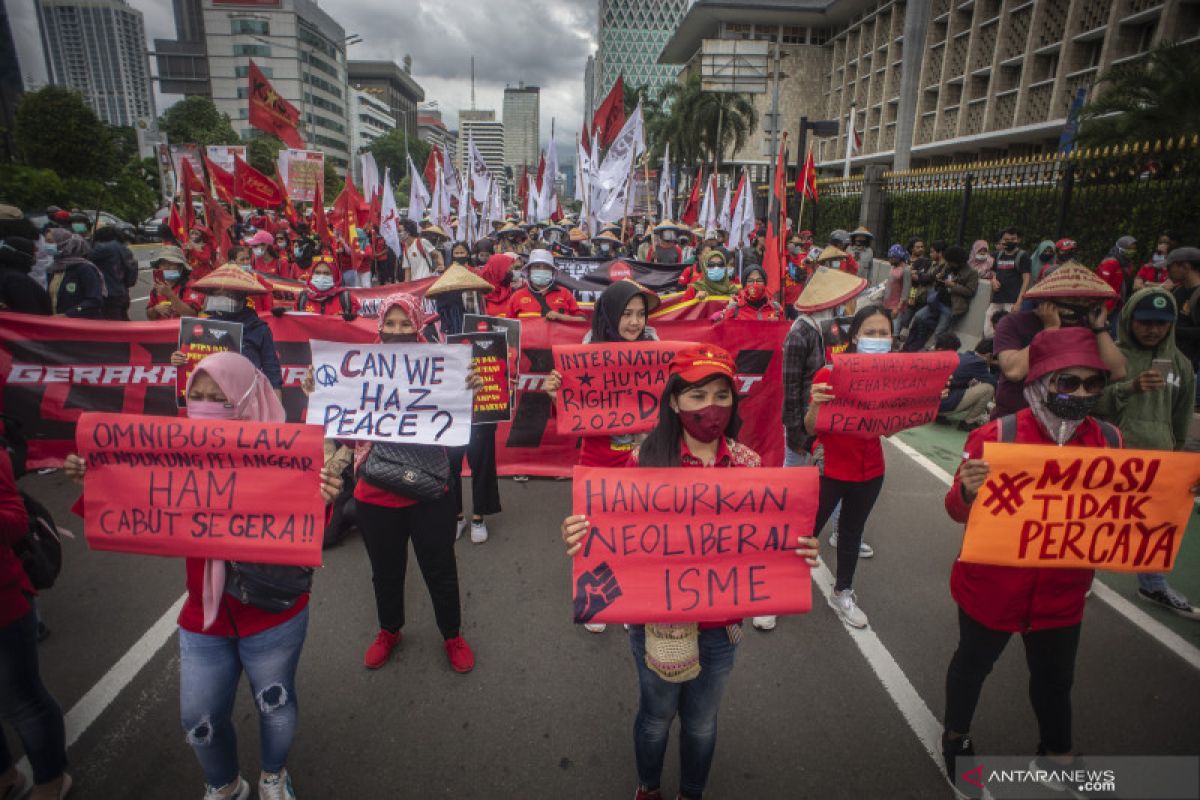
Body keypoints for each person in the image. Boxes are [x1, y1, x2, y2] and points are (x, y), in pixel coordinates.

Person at [65, 352, 343, 800]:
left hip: (272, 616)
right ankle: (225, 784)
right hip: (203, 616)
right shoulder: (179, 455)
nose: (208, 405)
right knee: (198, 719)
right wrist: (99, 481)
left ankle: (274, 775)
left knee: (275, 704)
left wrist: (323, 495)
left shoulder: (285, 454)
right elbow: (144, 502)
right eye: (198, 395)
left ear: (249, 399)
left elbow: (309, 529)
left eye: (221, 397)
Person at [560, 344, 820, 800]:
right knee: (656, 716)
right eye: (697, 396)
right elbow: (612, 532)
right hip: (656, 623)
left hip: (721, 629)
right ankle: (649, 787)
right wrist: (580, 534)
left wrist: (797, 550)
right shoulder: (643, 463)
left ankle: (692, 793)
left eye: (722, 394)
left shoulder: (751, 466)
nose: (711, 407)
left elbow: (765, 540)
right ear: (675, 402)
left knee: (701, 721)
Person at [940, 327, 1166, 789]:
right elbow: (956, 511)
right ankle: (957, 736)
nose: (1081, 393)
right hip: (992, 590)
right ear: (1041, 383)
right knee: (972, 666)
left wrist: (1170, 497)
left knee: (1055, 678)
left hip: (1062, 594)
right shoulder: (997, 435)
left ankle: (1057, 751)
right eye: (1068, 382)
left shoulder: (1108, 441)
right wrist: (966, 489)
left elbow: (1123, 510)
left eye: (1092, 384)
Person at [343, 292, 476, 674]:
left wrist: (469, 392)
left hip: (429, 489)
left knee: (440, 568)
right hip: (375, 491)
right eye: (391, 323)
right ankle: (389, 631)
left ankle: (452, 635)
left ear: (418, 325)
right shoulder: (360, 369)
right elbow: (341, 424)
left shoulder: (442, 369)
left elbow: (459, 430)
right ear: (380, 327)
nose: (398, 331)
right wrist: (317, 391)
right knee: (385, 570)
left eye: (406, 323)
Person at [544, 279, 662, 632]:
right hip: (598, 457)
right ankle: (599, 599)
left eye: (641, 314)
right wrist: (556, 396)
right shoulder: (588, 349)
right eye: (626, 313)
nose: (635, 322)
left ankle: (628, 599)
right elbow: (572, 416)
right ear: (610, 314)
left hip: (645, 458)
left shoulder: (656, 347)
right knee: (596, 532)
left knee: (637, 531)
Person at [1094, 288, 1198, 618]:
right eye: (1146, 322)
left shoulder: (1181, 365)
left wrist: (1179, 460)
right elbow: (1092, 402)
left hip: (1158, 461)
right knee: (1094, 521)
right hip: (1113, 455)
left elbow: (1181, 416)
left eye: (1162, 323)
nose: (1153, 329)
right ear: (1130, 320)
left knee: (1154, 526)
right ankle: (1080, 576)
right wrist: (1130, 386)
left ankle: (1153, 584)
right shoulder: (1111, 355)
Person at [805, 304, 898, 628]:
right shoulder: (829, 374)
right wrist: (816, 403)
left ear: (892, 338)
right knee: (805, 531)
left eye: (883, 333)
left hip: (870, 471)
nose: (876, 339)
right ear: (855, 336)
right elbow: (809, 428)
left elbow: (889, 429)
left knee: (851, 533)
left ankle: (842, 591)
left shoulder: (893, 381)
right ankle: (776, 592)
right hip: (829, 468)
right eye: (869, 333)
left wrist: (921, 400)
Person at [0, 442, 69, 800]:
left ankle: (50, 777)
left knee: (21, 699)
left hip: (5, 600)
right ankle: (6, 774)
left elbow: (14, 521)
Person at [425, 265, 504, 545]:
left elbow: (503, 363)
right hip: (447, 411)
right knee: (450, 465)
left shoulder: (491, 327)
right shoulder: (430, 330)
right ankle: (456, 516)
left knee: (482, 462)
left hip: (482, 405)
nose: (459, 302)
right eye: (452, 297)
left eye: (466, 296)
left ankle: (479, 516)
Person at [992, 264, 1126, 419]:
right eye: (1071, 298)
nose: (1078, 304)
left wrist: (1099, 328)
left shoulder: (1089, 328)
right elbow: (1014, 371)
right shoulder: (1013, 322)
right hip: (1016, 418)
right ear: (1049, 298)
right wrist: (1049, 331)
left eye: (1084, 300)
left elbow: (1118, 372)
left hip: (1066, 421)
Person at [177, 264, 283, 392]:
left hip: (248, 399)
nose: (222, 298)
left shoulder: (259, 329)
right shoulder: (205, 327)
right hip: (215, 397)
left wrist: (276, 408)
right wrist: (179, 359)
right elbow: (194, 362)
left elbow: (272, 372)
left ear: (241, 297)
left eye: (228, 294)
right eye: (217, 294)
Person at [934, 333, 995, 431]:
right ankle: (968, 423)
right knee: (988, 388)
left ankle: (939, 415)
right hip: (943, 405)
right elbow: (993, 383)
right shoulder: (978, 362)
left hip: (934, 402)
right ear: (989, 355)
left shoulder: (965, 355)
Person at [506, 249, 585, 322]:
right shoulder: (517, 296)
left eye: (546, 267)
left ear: (552, 272)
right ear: (529, 271)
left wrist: (560, 317)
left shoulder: (565, 293)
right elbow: (509, 327)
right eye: (537, 267)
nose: (541, 270)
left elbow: (582, 320)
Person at [44, 229, 104, 318]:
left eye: (50, 242)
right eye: (45, 241)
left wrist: (68, 315)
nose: (46, 245)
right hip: (57, 325)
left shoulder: (85, 269)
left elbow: (94, 300)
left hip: (80, 325)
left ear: (63, 243)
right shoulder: (53, 269)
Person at [985, 228, 1031, 331]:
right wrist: (993, 280)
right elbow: (993, 272)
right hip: (997, 299)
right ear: (1001, 241)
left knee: (1008, 329)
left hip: (1013, 301)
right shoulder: (997, 255)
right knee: (988, 328)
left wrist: (1019, 302)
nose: (1009, 241)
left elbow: (1026, 279)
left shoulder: (1023, 256)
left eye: (1013, 239)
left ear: (1018, 240)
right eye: (1006, 239)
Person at [1166, 247, 1200, 384]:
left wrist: (1172, 330)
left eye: (1170, 267)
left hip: (1194, 366)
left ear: (1185, 266)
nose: (1167, 272)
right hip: (1176, 360)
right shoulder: (1177, 291)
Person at [89, 225, 138, 320]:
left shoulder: (105, 248)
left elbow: (87, 256)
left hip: (109, 294)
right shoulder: (126, 250)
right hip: (123, 292)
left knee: (113, 327)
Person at [283, 258, 358, 319]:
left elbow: (361, 326)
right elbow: (295, 322)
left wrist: (354, 318)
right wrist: (282, 316)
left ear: (335, 276)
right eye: (317, 273)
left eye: (327, 273)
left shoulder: (346, 298)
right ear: (312, 274)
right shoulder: (303, 297)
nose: (321, 276)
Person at [146, 246, 203, 320]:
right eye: (163, 264)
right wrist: (156, 309)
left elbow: (192, 314)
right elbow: (150, 316)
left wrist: (170, 294)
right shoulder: (157, 289)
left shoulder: (191, 286)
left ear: (181, 268)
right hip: (162, 330)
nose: (166, 267)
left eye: (171, 264)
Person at [0, 236, 52, 314]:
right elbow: (30, 312)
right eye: (32, 253)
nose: (35, 258)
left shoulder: (6, 273)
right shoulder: (16, 280)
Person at [713, 266, 782, 321]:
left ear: (765, 283)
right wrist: (721, 314)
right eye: (750, 281)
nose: (755, 284)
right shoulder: (735, 308)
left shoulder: (775, 307)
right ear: (744, 285)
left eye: (759, 280)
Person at [1096, 235, 1138, 322]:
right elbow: (1101, 285)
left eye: (1134, 249)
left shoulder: (1127, 263)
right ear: (1121, 248)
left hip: (1120, 304)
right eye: (1129, 249)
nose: (1132, 251)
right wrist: (1104, 307)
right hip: (1107, 306)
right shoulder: (1110, 263)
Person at [882, 244, 908, 317]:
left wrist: (897, 308)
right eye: (889, 257)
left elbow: (905, 293)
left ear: (898, 257)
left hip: (896, 308)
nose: (889, 260)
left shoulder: (906, 270)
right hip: (887, 304)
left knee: (894, 328)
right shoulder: (893, 267)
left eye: (892, 257)